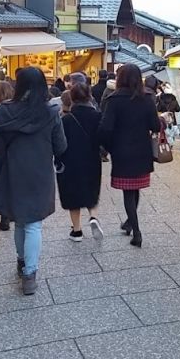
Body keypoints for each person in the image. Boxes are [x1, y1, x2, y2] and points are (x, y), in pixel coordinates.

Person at [0, 67, 67, 295]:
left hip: (13, 173)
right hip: (39, 174)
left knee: (19, 220)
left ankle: (22, 262)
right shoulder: (49, 113)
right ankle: (30, 274)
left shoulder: (5, 112)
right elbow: (61, 146)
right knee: (33, 224)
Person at [99, 63, 161, 248]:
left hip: (122, 151)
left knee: (128, 191)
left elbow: (105, 128)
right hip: (142, 150)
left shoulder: (114, 100)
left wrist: (108, 147)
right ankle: (129, 222)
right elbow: (155, 126)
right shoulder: (147, 99)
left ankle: (137, 231)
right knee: (135, 188)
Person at [57, 82, 104, 241]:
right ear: (89, 96)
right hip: (92, 158)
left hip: (70, 161)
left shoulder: (66, 119)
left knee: (73, 195)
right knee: (91, 189)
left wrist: (58, 160)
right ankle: (93, 217)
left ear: (72, 98)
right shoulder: (97, 116)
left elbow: (59, 143)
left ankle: (77, 231)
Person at [0, 81, 15, 232]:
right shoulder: (15, 108)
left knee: (1, 182)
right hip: (15, 150)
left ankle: (4, 216)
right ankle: (12, 211)